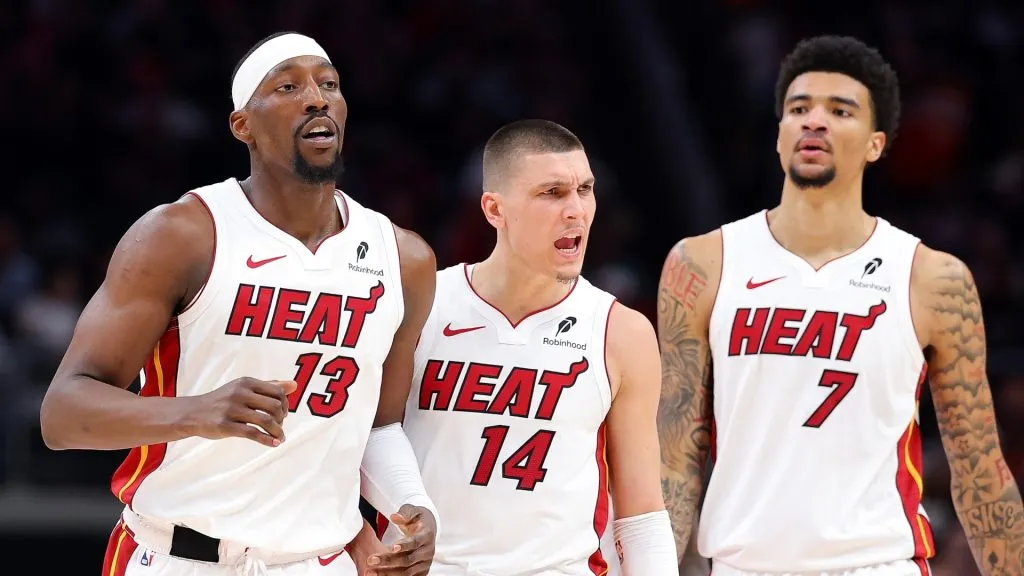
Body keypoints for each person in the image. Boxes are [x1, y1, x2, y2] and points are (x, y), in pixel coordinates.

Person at [40, 32, 440, 576]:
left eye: (329, 84)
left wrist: (412, 504)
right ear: (242, 125)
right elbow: (63, 414)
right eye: (287, 86)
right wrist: (195, 411)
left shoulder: (404, 259)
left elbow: (378, 427)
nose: (316, 98)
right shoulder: (183, 234)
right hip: (180, 556)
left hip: (314, 563)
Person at [657, 35, 1024, 576]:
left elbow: (979, 470)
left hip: (878, 564)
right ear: (779, 135)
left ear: (876, 144)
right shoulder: (702, 263)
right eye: (798, 109)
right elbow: (674, 461)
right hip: (744, 565)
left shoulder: (932, 279)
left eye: (840, 110)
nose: (814, 121)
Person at [374, 119, 677, 575]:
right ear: (494, 209)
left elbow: (642, 517)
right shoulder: (421, 305)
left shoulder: (621, 332)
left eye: (585, 190)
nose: (576, 210)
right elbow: (359, 441)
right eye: (552, 193)